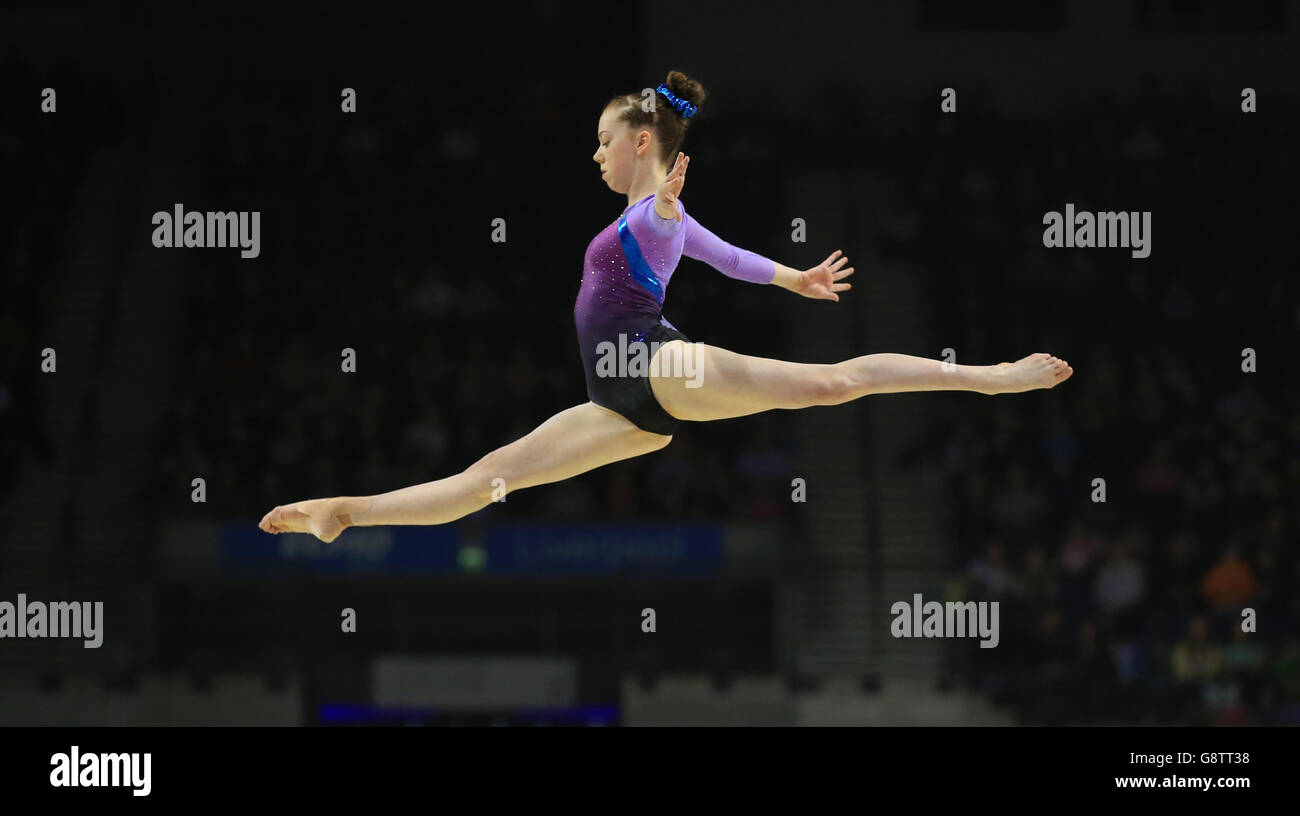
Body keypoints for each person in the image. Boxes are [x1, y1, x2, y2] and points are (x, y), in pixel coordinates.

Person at [260, 71, 1073, 542]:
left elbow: (678, 225)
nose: (596, 151)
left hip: (657, 362)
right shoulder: (644, 218)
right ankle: (345, 512)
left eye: (605, 140)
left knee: (831, 384)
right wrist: (792, 278)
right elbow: (723, 255)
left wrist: (677, 215)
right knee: (487, 481)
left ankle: (994, 377)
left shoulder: (654, 212)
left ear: (641, 142)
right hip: (620, 406)